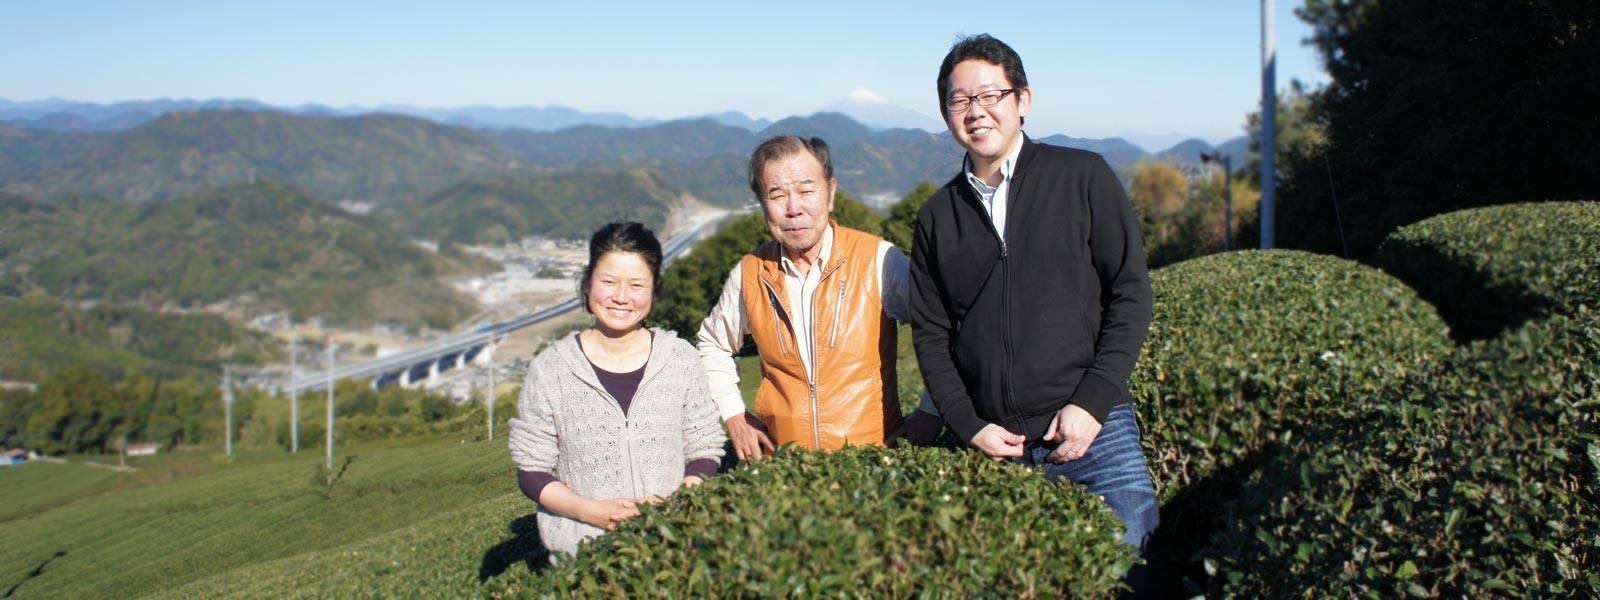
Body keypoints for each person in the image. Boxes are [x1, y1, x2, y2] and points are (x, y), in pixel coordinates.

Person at [908, 34, 1161, 594]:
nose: (975, 111)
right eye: (958, 100)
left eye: (990, 94)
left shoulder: (1083, 177)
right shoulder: (936, 216)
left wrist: (1092, 403)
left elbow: (1130, 292)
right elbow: (930, 335)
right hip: (996, 444)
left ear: (1023, 99)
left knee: (1127, 574)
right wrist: (968, 425)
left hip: (1095, 436)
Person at [696, 135, 943, 459]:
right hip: (784, 468)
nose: (793, 208)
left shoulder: (877, 259)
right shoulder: (751, 273)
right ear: (762, 204)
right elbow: (712, 343)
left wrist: (933, 410)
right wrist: (735, 416)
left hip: (872, 460)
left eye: (806, 190)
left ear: (830, 193)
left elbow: (942, 325)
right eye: (777, 195)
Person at [508, 222, 726, 557]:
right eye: (608, 282)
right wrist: (589, 512)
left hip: (676, 543)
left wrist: (677, 501)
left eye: (637, 285)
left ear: (655, 289)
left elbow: (705, 447)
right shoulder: (550, 370)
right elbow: (532, 469)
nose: (621, 297)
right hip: (585, 556)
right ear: (587, 283)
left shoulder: (681, 359)